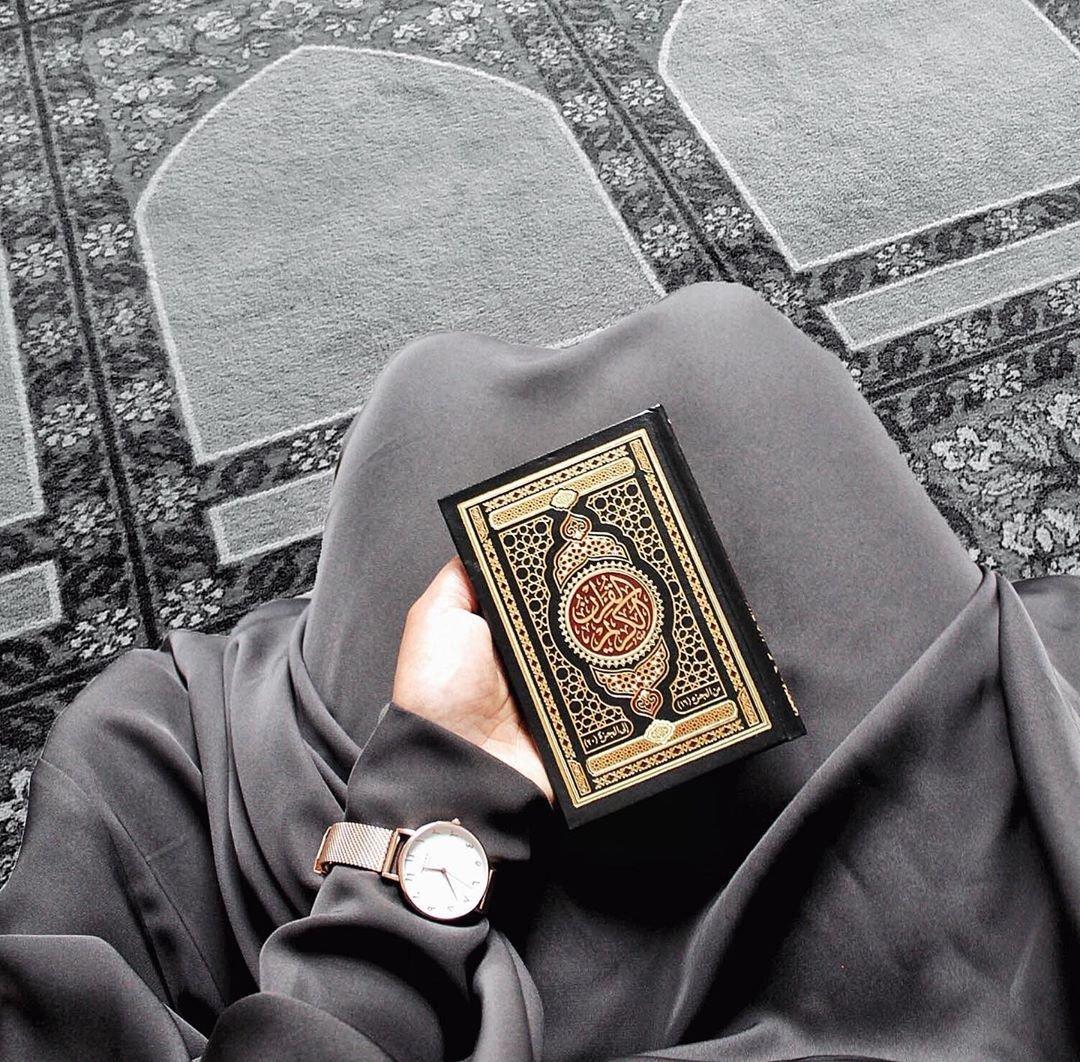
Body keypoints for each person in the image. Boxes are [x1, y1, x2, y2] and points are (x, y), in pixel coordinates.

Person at [0, 280, 1077, 1060]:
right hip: (968, 937)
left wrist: (424, 817)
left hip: (381, 938)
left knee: (438, 394)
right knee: (718, 337)